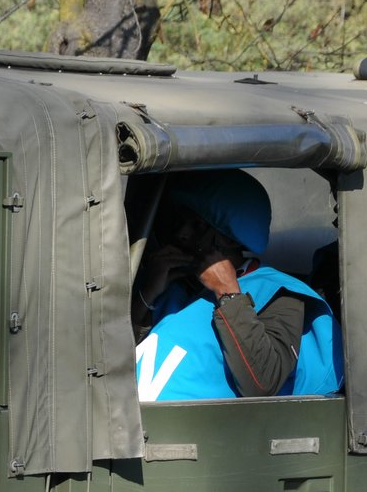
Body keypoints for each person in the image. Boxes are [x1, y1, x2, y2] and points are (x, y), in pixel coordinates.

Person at [132, 169, 342, 401]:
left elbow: (262, 384)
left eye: (197, 225)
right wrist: (147, 295)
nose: (182, 233)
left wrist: (228, 293)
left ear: (229, 238)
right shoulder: (173, 286)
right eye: (181, 221)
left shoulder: (280, 293)